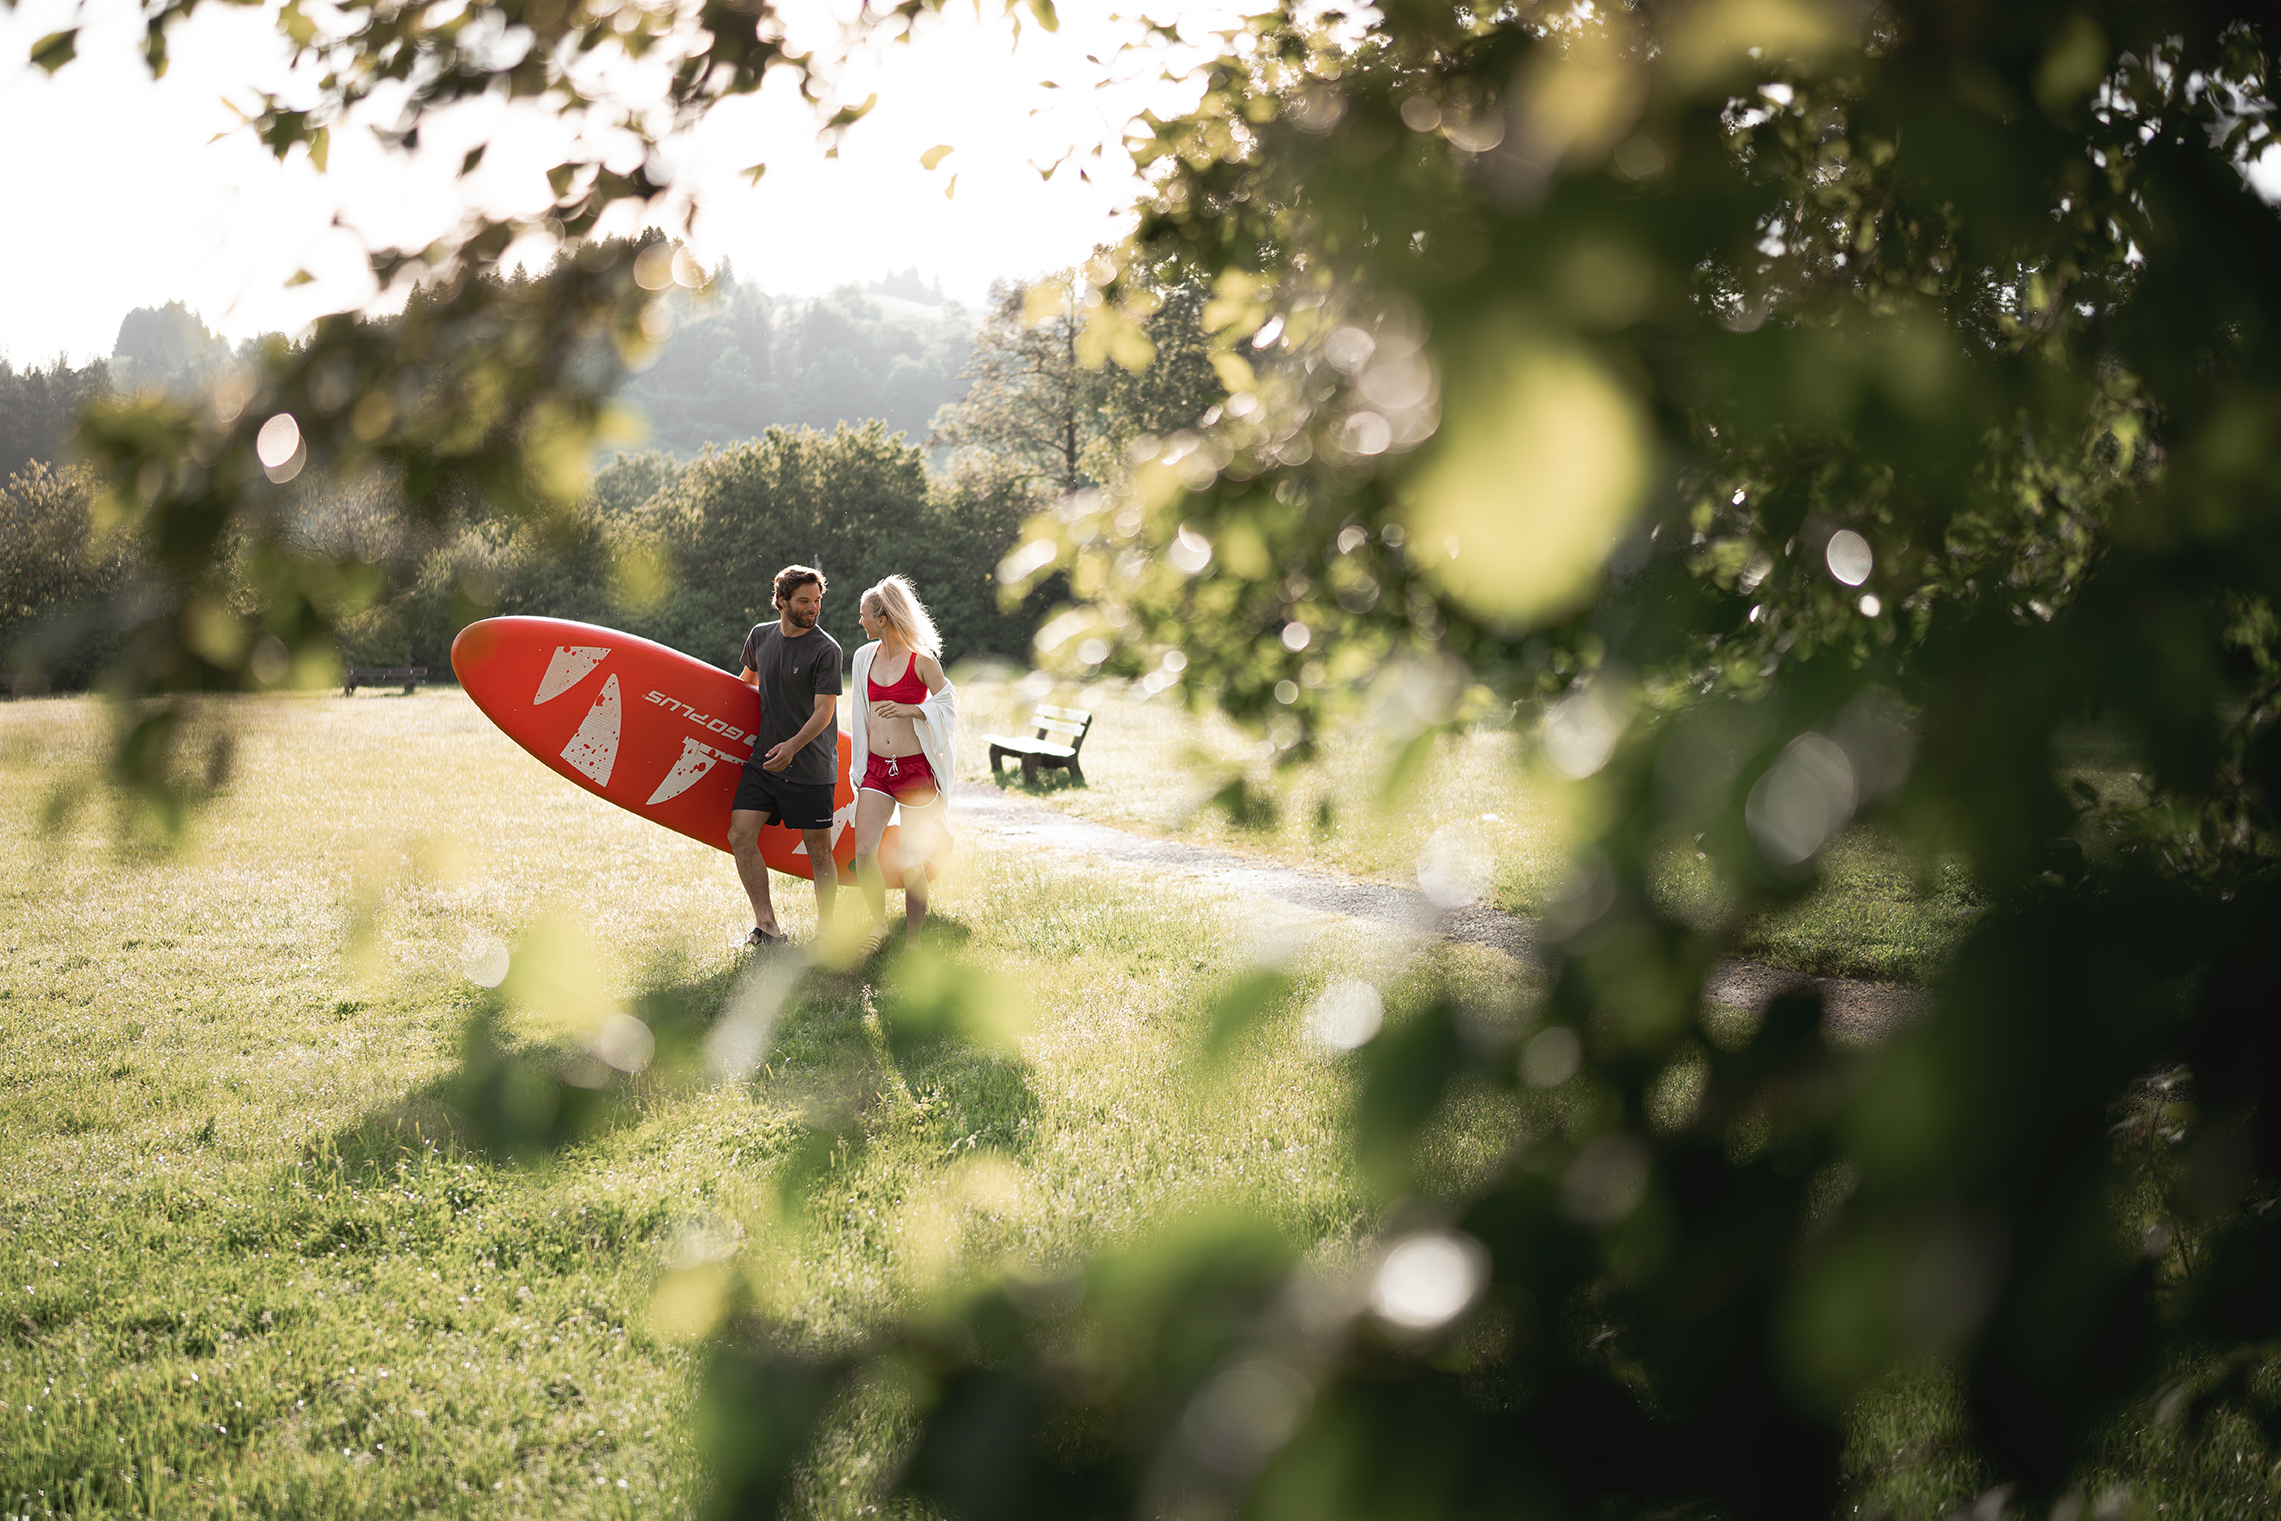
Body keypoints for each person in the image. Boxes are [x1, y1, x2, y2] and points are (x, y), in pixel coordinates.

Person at [728, 564, 842, 945]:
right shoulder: (760, 637)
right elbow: (745, 686)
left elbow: (824, 712)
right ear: (781, 601)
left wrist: (792, 746)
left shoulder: (826, 649)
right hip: (764, 762)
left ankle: (827, 932)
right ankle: (767, 927)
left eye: (817, 601)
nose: (813, 608)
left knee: (819, 852)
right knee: (740, 835)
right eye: (804, 601)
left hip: (809, 766)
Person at [846, 575, 957, 949]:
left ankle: (913, 942)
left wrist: (913, 710)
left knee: (911, 860)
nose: (859, 621)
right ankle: (878, 928)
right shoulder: (864, 658)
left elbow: (948, 706)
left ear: (883, 618)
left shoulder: (923, 662)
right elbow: (860, 713)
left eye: (863, 615)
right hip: (878, 768)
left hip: (914, 774)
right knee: (864, 852)